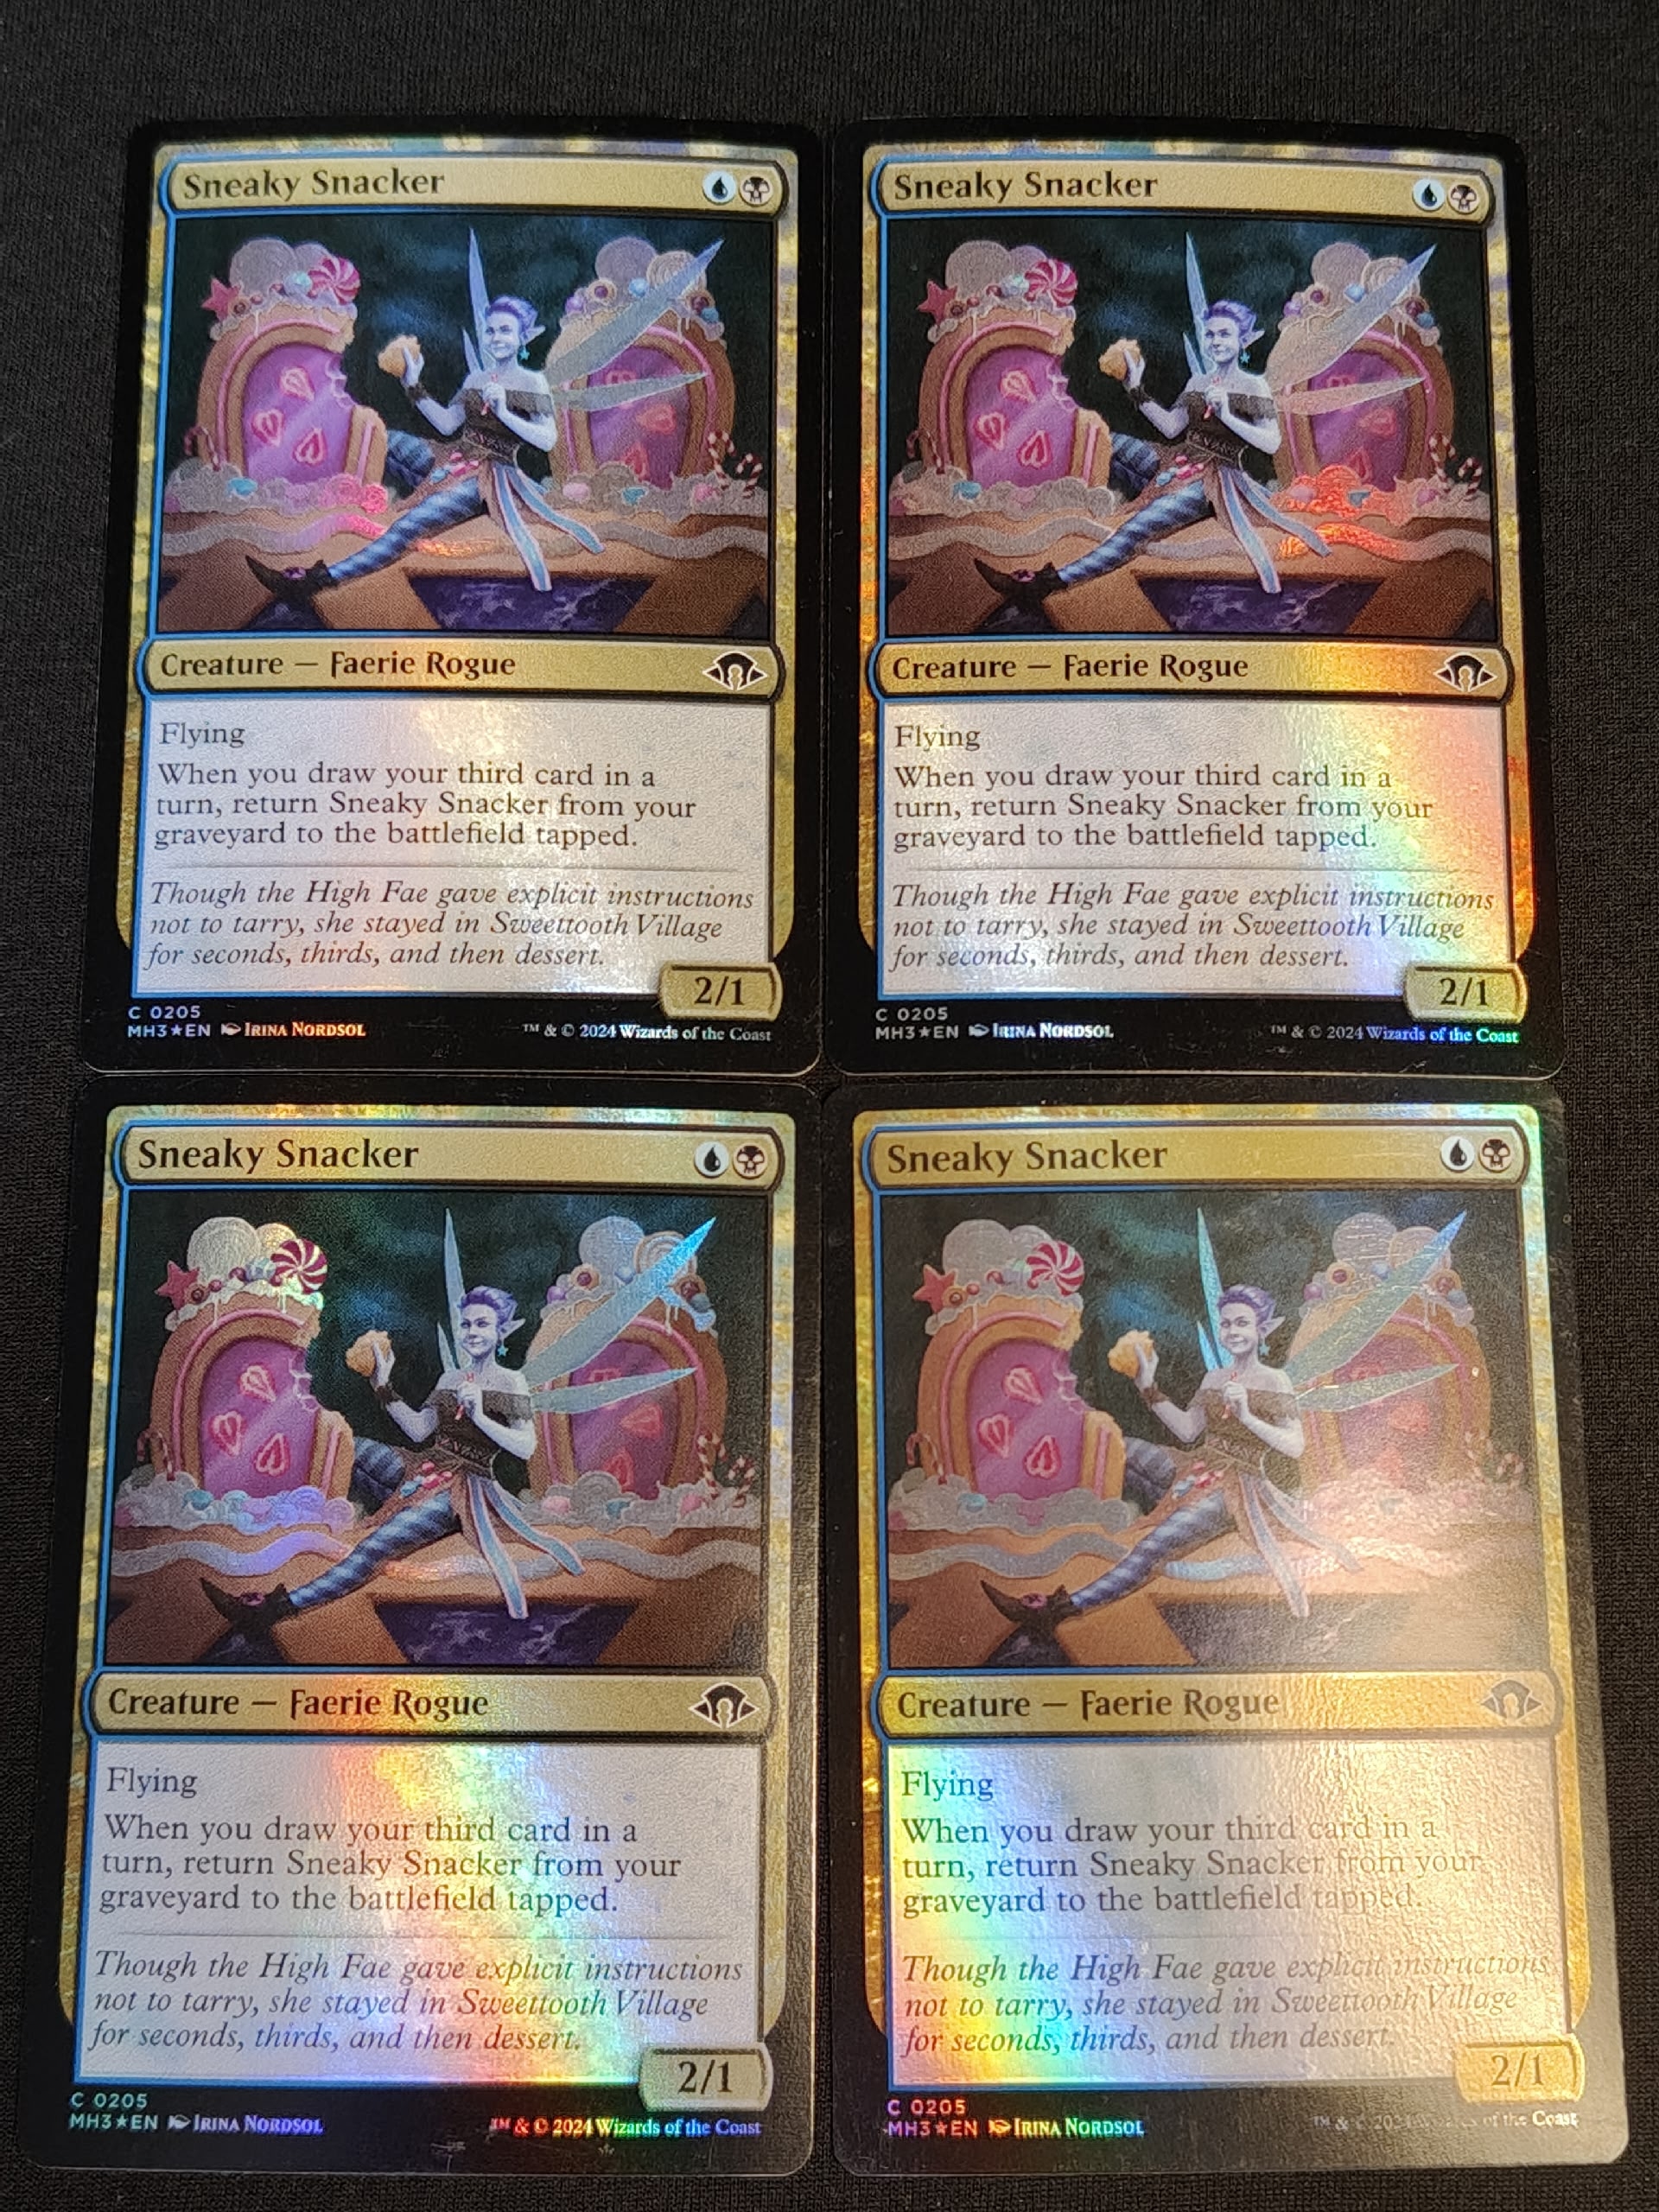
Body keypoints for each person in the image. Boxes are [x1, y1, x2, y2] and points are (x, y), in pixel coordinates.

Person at [982, 1285, 1355, 1659]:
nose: (1233, 1331)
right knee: (1118, 1448)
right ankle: (1045, 1515)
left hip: (1237, 1490)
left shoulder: (1275, 1381)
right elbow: (1189, 1431)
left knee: (1153, 1547)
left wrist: (1248, 1417)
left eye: (1242, 1323)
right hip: (1195, 1468)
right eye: (1226, 1324)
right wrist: (1147, 1386)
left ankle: (1056, 1609)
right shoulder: (1215, 1378)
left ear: (1263, 1329)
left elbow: (1295, 1446)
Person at [202, 1285, 582, 1633]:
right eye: (466, 1324)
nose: (472, 1332)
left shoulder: (510, 1382)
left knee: (374, 1549)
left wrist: (481, 1415)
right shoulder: (451, 1378)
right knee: (348, 1448)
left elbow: (525, 1447)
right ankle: (317, 1518)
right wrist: (382, 1384)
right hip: (423, 1468)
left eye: (482, 1324)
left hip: (464, 1492)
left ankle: (271, 1610)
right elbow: (419, 1430)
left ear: (502, 1331)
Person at [974, 297, 1332, 614]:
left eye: (1225, 334)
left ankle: (1042, 585)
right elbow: (1173, 427)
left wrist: (1227, 416)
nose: (1216, 341)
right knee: (1105, 442)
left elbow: (1270, 443)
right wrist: (1135, 389)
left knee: (1134, 531)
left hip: (1216, 482)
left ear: (1243, 340)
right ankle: (1104, 494)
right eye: (1210, 334)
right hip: (1175, 461)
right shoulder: (1199, 382)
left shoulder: (1254, 386)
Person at [248, 290, 603, 608]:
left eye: (505, 331)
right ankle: (330, 497)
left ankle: (314, 581)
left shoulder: (531, 382)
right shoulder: (477, 379)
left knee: (406, 529)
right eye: (491, 330)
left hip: (491, 479)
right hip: (452, 460)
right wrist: (413, 384)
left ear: (523, 337)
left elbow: (547, 440)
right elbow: (448, 424)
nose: (496, 338)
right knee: (383, 440)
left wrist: (505, 413)